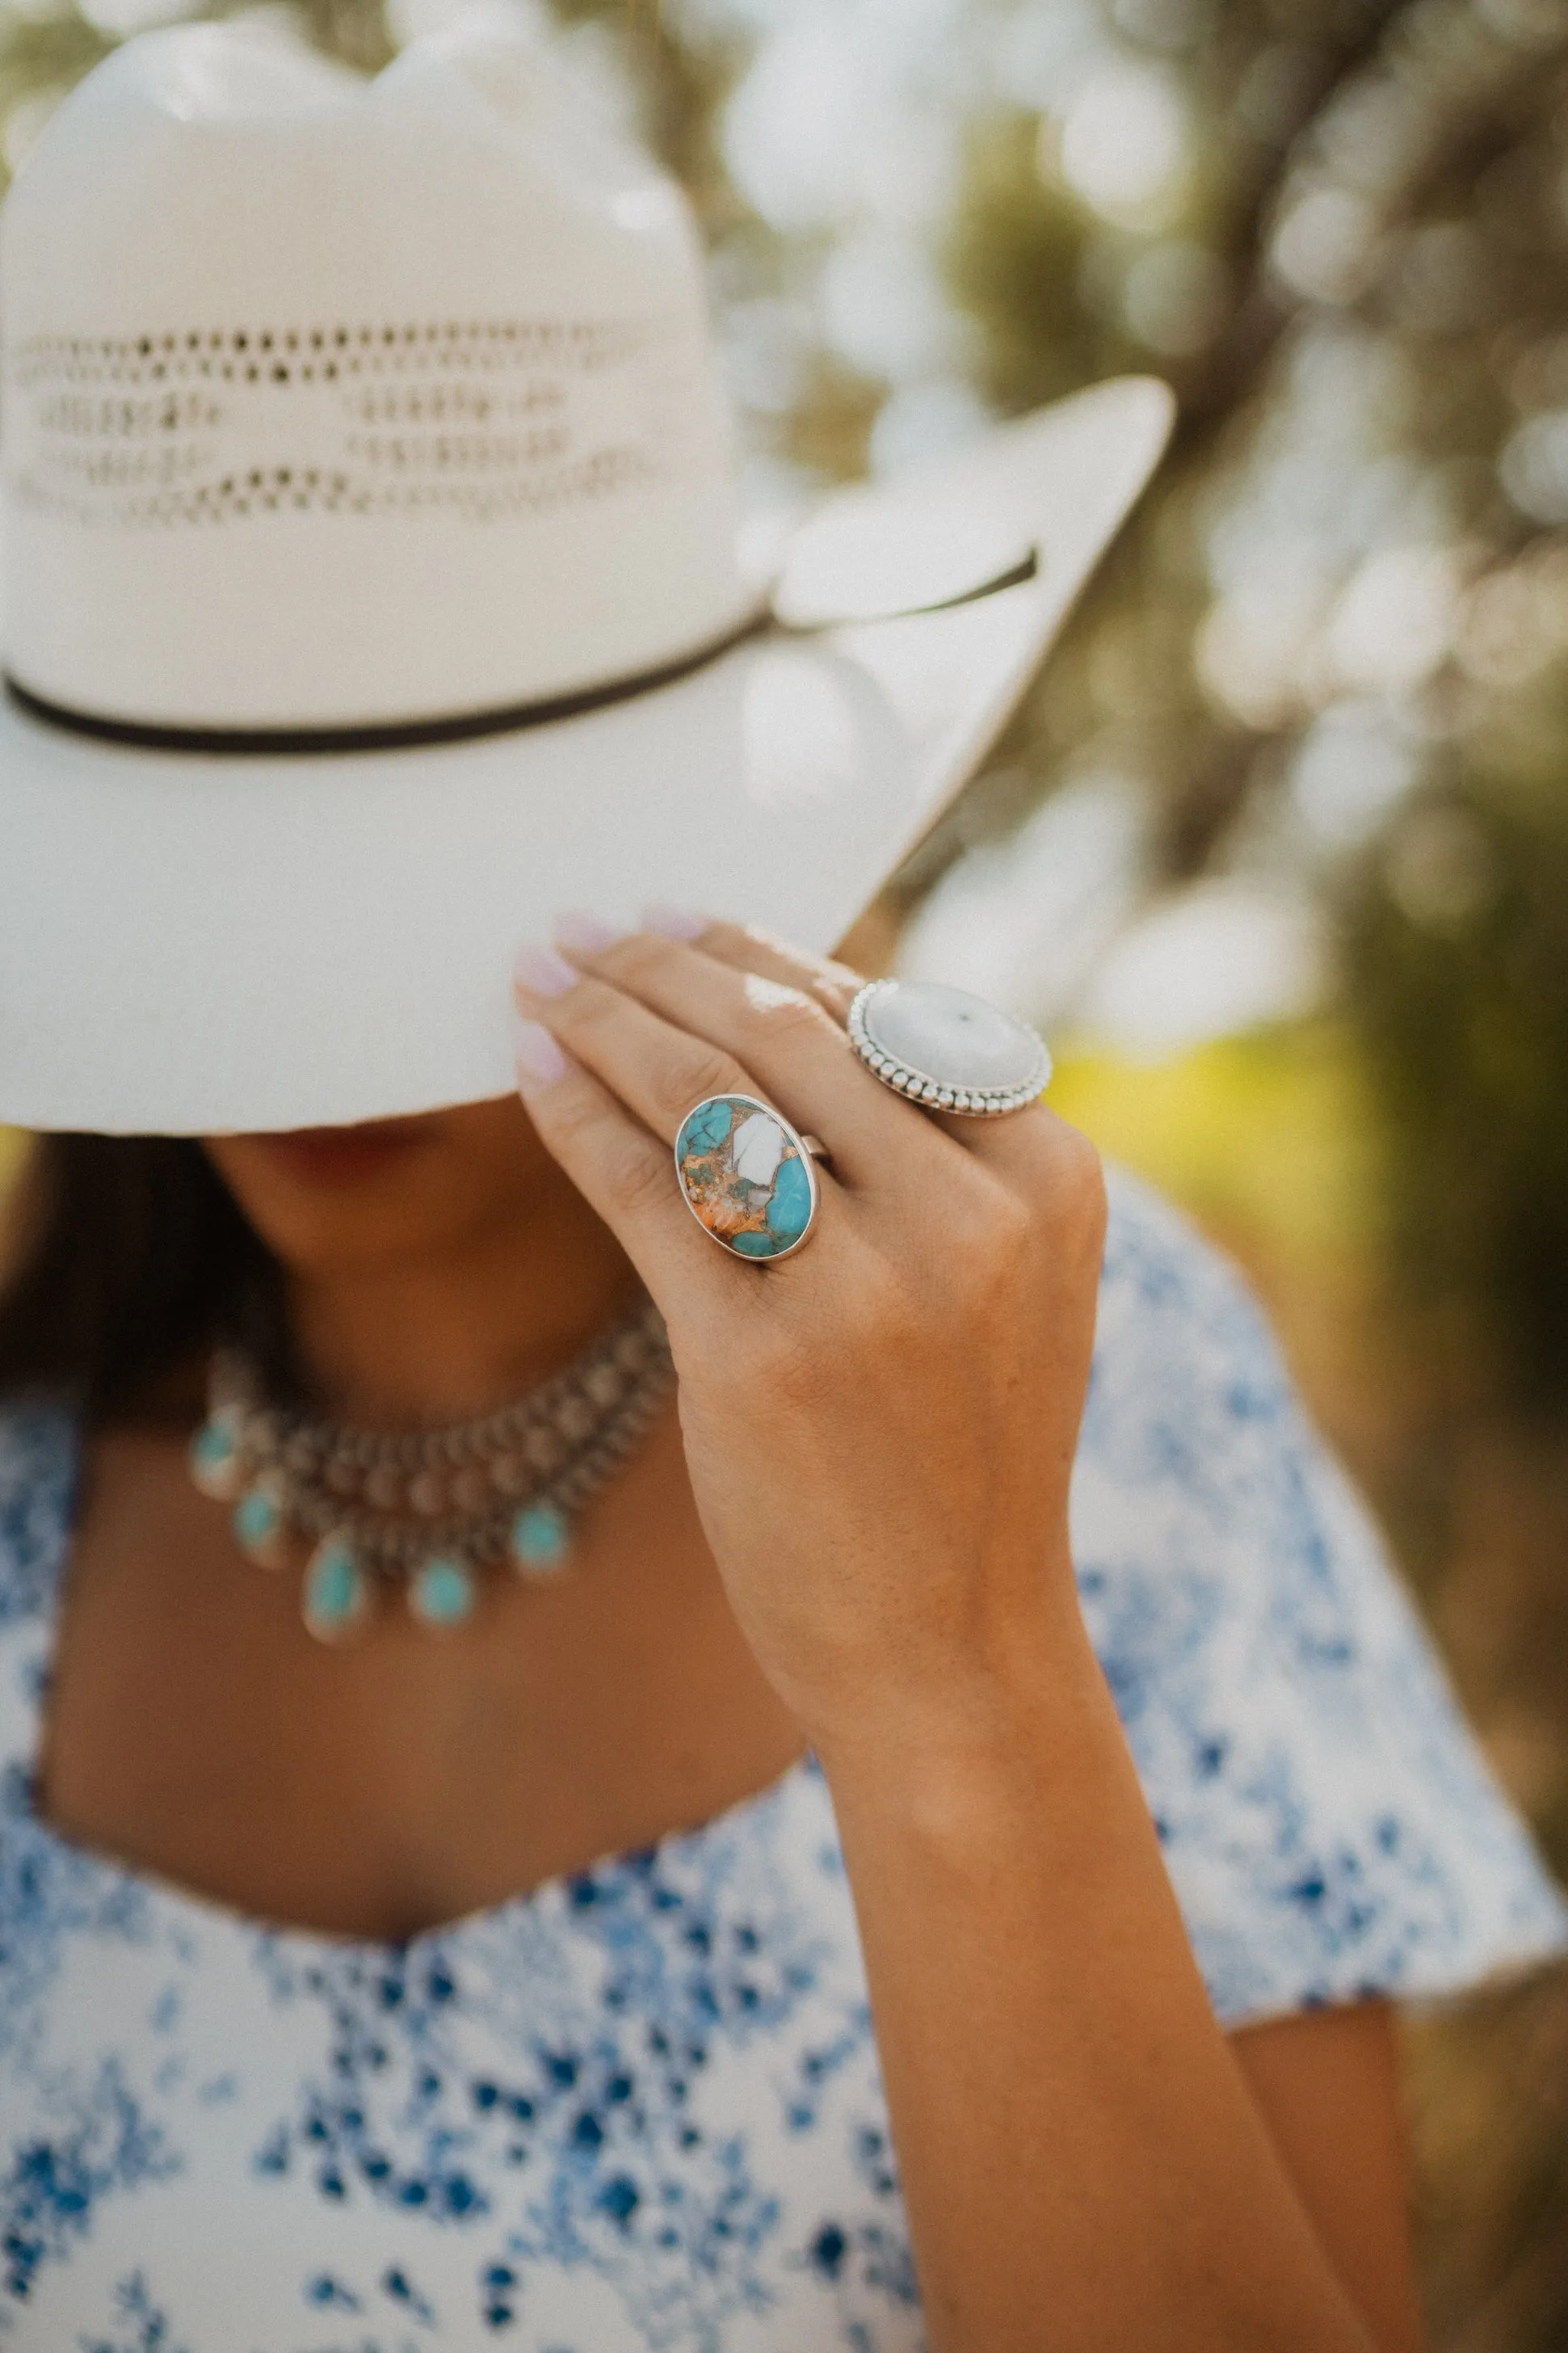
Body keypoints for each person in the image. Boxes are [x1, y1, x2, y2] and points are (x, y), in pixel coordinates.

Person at [0, 23, 1562, 2353]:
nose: (299, 1033)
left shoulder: (1094, 1396)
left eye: (427, 890)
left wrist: (955, 1673)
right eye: (214, 911)